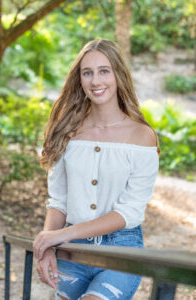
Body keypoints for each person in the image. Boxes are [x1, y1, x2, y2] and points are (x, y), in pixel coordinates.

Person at [33, 38, 160, 300]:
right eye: (87, 73)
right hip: (71, 252)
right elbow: (58, 202)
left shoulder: (142, 136)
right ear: (79, 79)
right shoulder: (66, 132)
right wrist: (47, 245)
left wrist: (61, 234)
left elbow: (128, 212)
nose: (95, 81)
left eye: (104, 71)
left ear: (118, 75)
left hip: (121, 254)